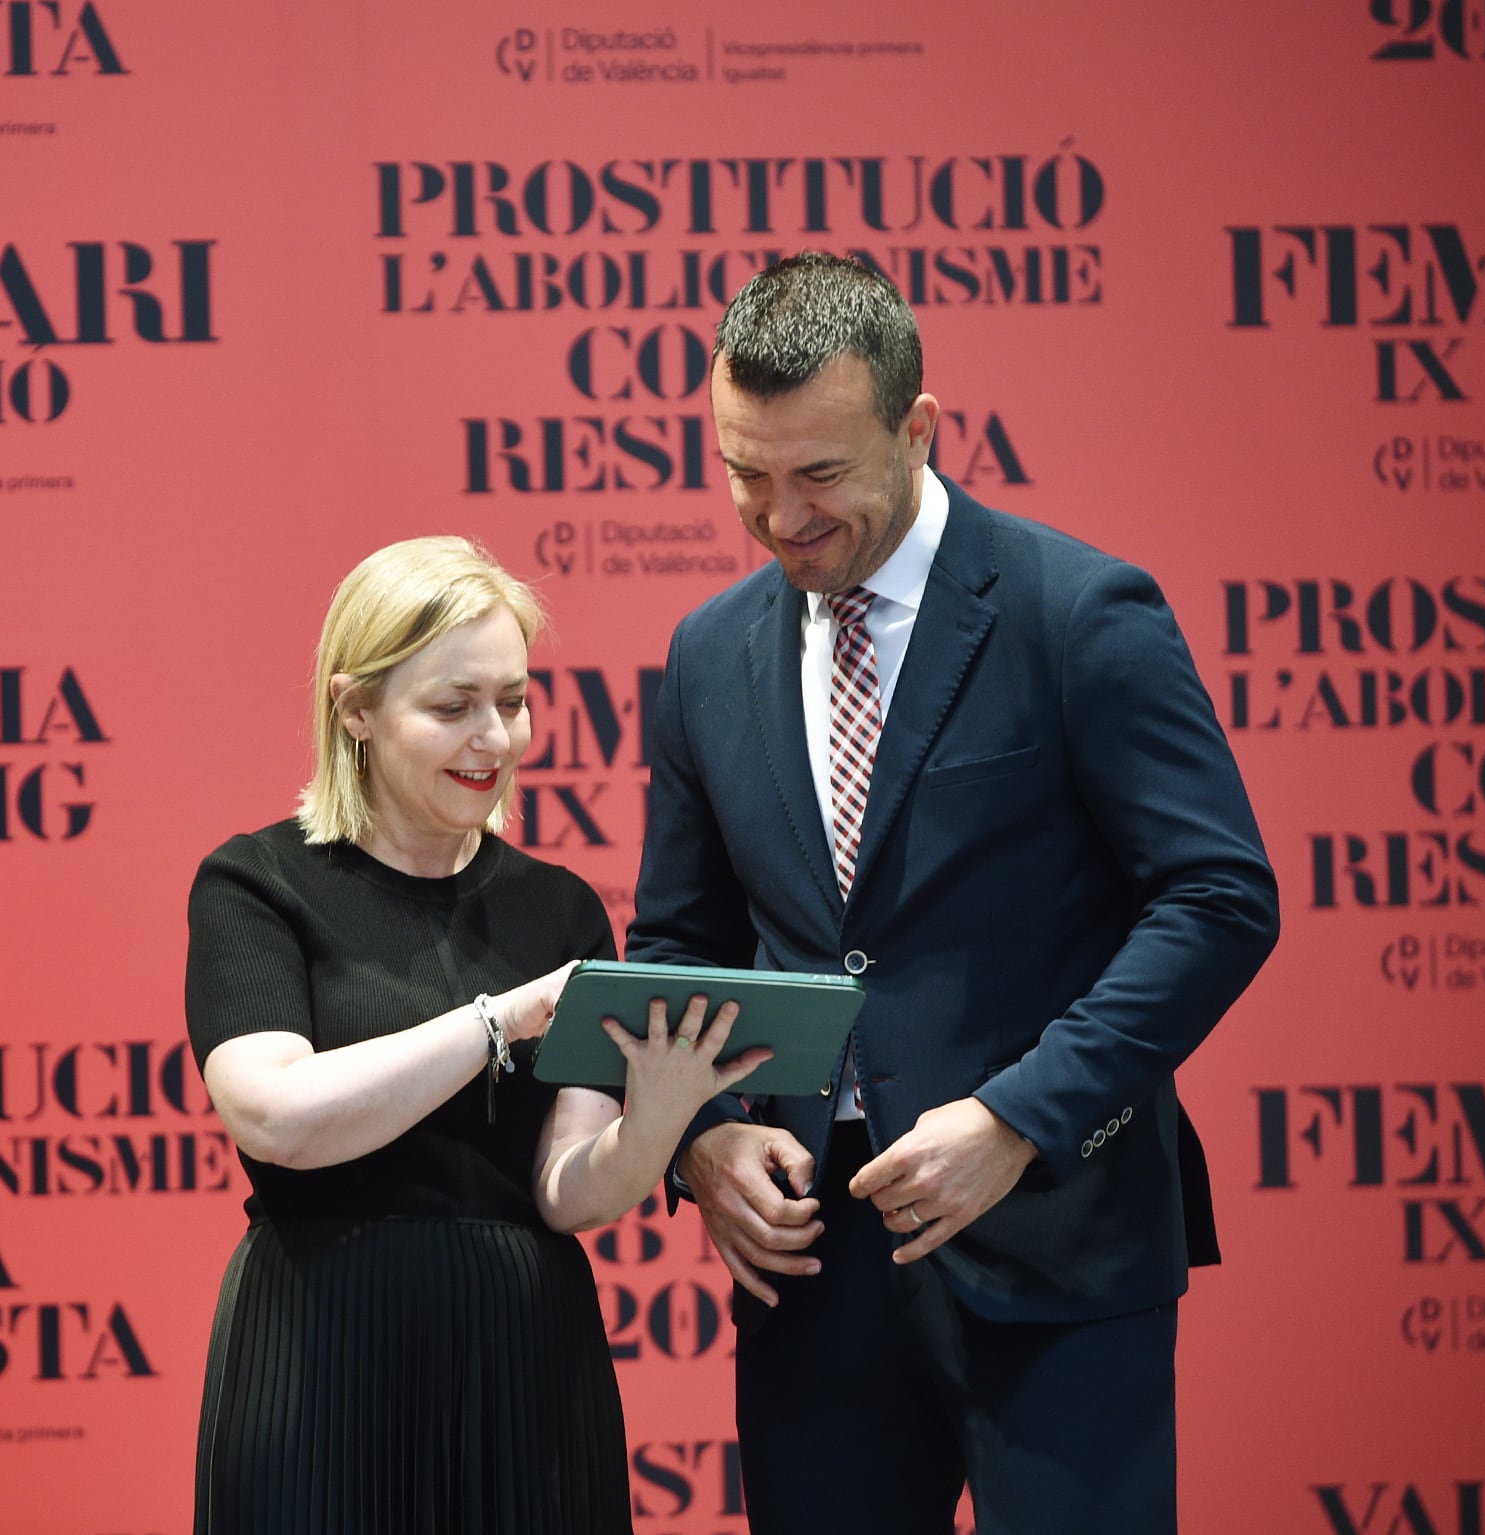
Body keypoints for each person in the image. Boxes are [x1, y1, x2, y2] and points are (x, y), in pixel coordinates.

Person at [627, 253, 1279, 1532]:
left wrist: (1016, 1116)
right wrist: (698, 1141)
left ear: (918, 427)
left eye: (819, 475)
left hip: (1057, 1236)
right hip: (812, 1269)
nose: (779, 516)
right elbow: (679, 941)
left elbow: (1216, 895)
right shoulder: (708, 653)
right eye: (744, 474)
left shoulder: (1077, 609)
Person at [185, 536, 764, 1535]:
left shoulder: (560, 907)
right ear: (354, 708)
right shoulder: (256, 884)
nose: (492, 736)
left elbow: (567, 1188)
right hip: (320, 1343)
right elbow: (276, 1115)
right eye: (451, 706)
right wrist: (502, 1018)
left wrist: (663, 1107)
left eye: (513, 699)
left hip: (524, 1359)